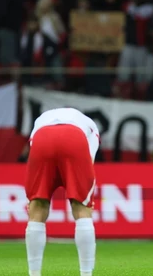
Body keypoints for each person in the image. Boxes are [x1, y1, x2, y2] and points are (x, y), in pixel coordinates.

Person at [25, 108, 100, 276]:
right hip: (74, 137)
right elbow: (88, 162)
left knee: (37, 207)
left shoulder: (40, 121)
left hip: (42, 137)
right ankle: (86, 274)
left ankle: (34, 274)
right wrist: (87, 198)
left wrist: (32, 199)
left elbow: (34, 149)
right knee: (82, 208)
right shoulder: (91, 127)